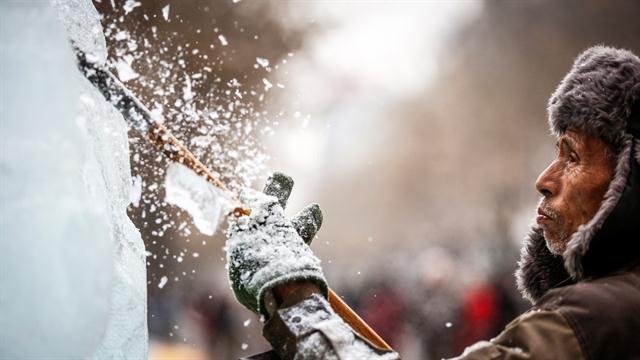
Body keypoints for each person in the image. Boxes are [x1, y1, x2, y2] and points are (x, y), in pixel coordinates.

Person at [224, 46, 640, 359]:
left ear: (628, 183)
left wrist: (294, 297)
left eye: (573, 156)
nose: (544, 180)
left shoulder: (599, 318)